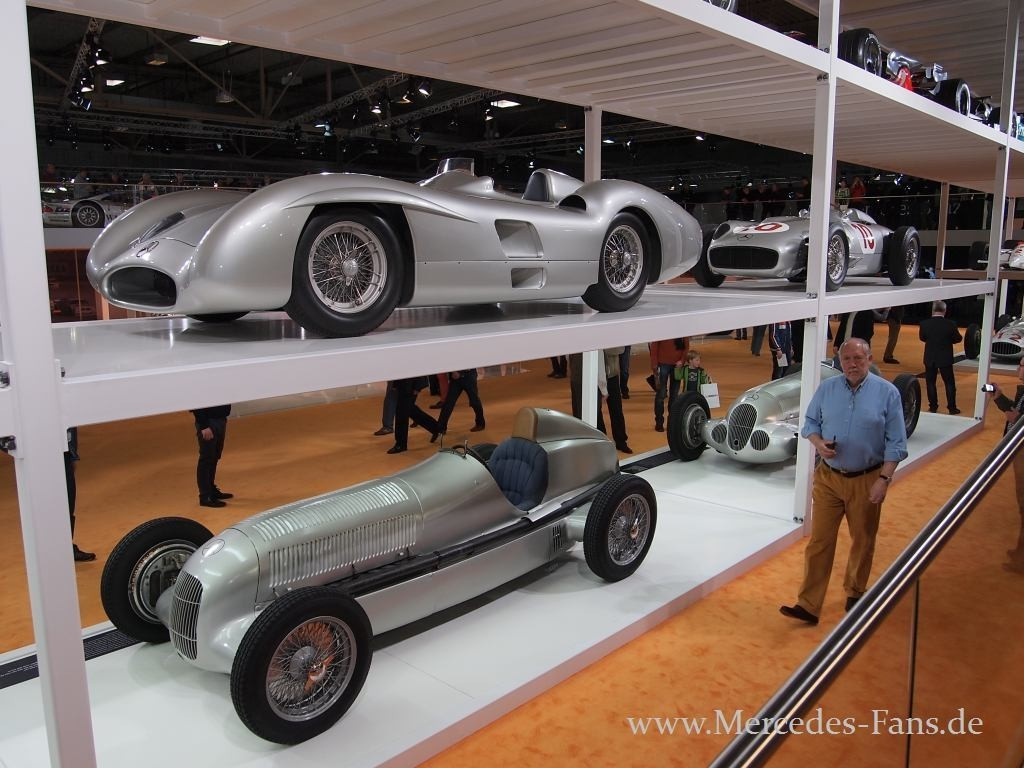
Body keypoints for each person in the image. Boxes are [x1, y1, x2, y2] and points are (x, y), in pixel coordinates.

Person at [780, 338, 909, 625]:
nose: (852, 364)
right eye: (846, 359)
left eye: (858, 358)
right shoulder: (827, 389)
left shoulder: (887, 393)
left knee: (862, 540)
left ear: (869, 359)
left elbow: (897, 443)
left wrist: (884, 479)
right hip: (828, 478)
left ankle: (855, 591)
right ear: (839, 361)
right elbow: (810, 424)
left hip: (867, 479)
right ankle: (808, 605)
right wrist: (819, 443)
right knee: (819, 542)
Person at [988, 360, 1024, 572]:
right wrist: (999, 398)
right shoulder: (1022, 391)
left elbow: (1017, 416)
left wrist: (1016, 418)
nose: (1019, 369)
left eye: (1023, 365)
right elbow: (1015, 409)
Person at [918, 300, 962, 415]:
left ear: (933, 310)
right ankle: (952, 408)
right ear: (945, 310)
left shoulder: (924, 324)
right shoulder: (950, 324)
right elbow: (958, 338)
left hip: (930, 357)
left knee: (930, 383)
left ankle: (933, 407)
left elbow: (922, 338)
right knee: (949, 383)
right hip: (945, 358)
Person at [191, 404, 232, 507]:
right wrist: (204, 426)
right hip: (208, 421)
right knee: (207, 458)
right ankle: (205, 496)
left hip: (220, 417)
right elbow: (194, 402)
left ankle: (211, 489)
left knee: (214, 456)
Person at [65, 428, 95, 562]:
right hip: (41, 452)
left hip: (65, 452)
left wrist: (72, 455)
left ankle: (66, 546)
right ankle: (56, 548)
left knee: (68, 502)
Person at [388, 376, 440, 454]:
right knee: (410, 410)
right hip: (405, 383)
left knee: (402, 413)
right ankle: (436, 427)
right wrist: (396, 383)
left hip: (411, 385)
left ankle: (401, 444)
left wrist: (417, 387)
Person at [649, 337, 689, 432]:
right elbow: (654, 346)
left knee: (674, 396)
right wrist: (654, 364)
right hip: (662, 364)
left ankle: (672, 422)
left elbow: (686, 346)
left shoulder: (682, 331)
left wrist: (682, 361)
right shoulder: (661, 330)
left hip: (677, 366)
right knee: (661, 395)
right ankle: (659, 422)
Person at [437, 369, 486, 436]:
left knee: (474, 401)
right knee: (448, 402)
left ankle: (480, 423)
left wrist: (458, 373)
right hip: (456, 378)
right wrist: (453, 372)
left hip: (469, 376)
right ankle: (441, 428)